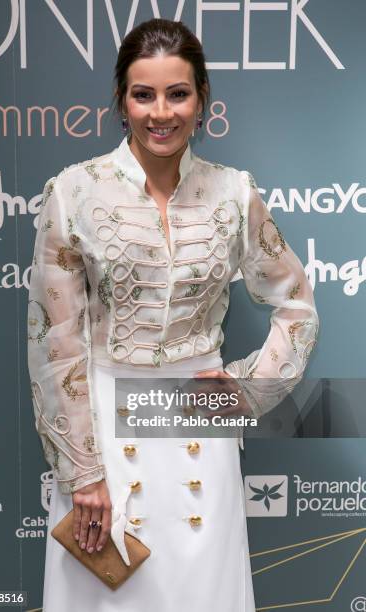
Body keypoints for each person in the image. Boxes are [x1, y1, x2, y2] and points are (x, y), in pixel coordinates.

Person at [27, 17, 319, 612]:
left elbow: (296, 302)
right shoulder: (74, 193)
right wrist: (82, 471)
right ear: (122, 100)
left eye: (177, 93)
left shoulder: (234, 194)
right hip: (103, 429)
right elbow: (54, 343)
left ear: (202, 99)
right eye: (144, 94)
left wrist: (248, 388)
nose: (161, 113)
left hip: (195, 418)